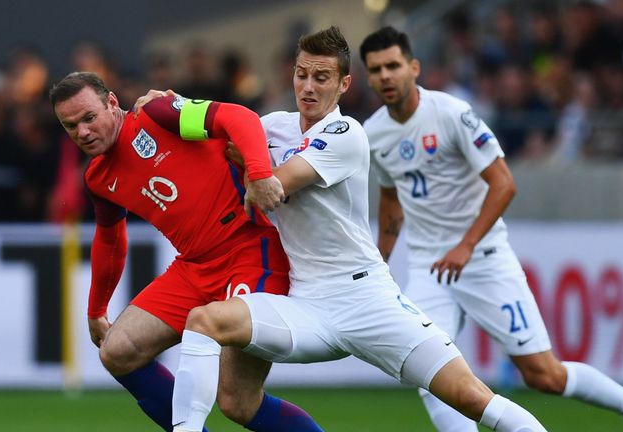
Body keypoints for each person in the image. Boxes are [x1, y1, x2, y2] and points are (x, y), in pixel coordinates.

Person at [164, 26, 548, 432]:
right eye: (301, 74)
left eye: (321, 77)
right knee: (205, 321)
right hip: (306, 302)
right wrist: (165, 108)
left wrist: (248, 164)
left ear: (344, 83)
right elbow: (213, 127)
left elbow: (274, 188)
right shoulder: (274, 125)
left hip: (366, 299)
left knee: (471, 396)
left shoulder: (347, 134)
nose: (308, 87)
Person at [358, 26, 623, 432]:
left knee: (543, 375)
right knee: (428, 368)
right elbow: (391, 199)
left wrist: (466, 246)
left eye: (393, 65)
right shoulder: (372, 134)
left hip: (484, 259)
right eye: (376, 69)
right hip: (429, 268)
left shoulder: (453, 114)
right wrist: (380, 261)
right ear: (368, 76)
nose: (386, 76)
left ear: (413, 67)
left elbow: (504, 183)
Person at [49, 71, 323, 432]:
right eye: (71, 126)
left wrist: (257, 173)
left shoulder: (157, 113)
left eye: (89, 118)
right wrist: (97, 308)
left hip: (249, 249)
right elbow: (110, 239)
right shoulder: (98, 178)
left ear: (112, 103)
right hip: (193, 267)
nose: (82, 132)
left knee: (237, 402)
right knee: (117, 352)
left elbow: (238, 117)